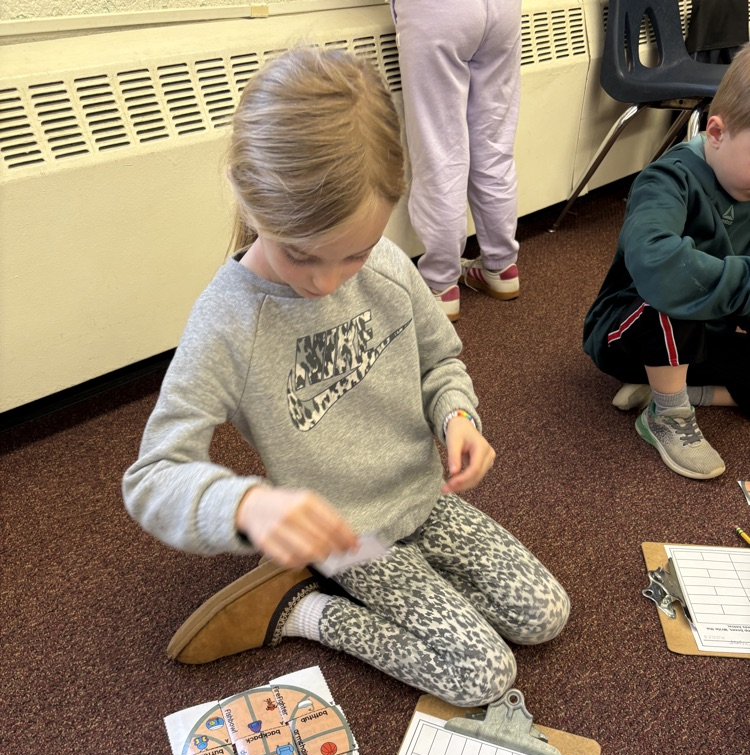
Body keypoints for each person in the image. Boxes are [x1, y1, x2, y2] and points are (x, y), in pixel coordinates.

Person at [122, 47, 569, 708]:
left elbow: (440, 359)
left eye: (352, 255)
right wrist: (246, 505)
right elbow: (152, 477)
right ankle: (300, 610)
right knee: (483, 675)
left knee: (546, 614)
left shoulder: (385, 263)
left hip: (422, 497)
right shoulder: (228, 322)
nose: (327, 282)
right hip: (347, 532)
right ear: (248, 196)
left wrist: (456, 416)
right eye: (301, 255)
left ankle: (356, 588)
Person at [582, 43, 750, 481]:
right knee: (676, 280)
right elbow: (658, 266)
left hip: (705, 335)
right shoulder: (667, 179)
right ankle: (668, 414)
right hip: (631, 331)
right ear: (717, 132)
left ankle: (678, 392)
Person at [392, 0, 522, 321]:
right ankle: (501, 268)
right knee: (494, 145)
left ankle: (440, 285)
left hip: (438, 11)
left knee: (440, 152)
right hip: (504, 10)